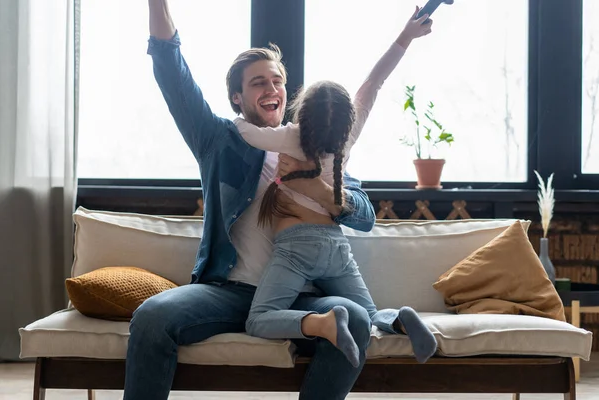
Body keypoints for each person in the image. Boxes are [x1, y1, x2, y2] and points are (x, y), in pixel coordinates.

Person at [125, 1, 432, 399]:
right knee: (152, 315)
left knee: (356, 317)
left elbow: (365, 215)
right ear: (237, 98)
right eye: (257, 83)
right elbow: (171, 70)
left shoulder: (316, 144)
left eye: (277, 81)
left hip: (303, 294)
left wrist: (321, 194)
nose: (271, 89)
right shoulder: (220, 139)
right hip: (229, 290)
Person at [233, 11, 436, 368]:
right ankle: (399, 318)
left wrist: (236, 116)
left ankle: (323, 322)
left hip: (296, 247)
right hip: (336, 245)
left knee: (259, 318)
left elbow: (246, 132)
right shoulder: (346, 140)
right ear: (345, 120)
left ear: (302, 111)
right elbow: (373, 84)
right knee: (371, 314)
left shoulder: (289, 136)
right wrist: (404, 38)